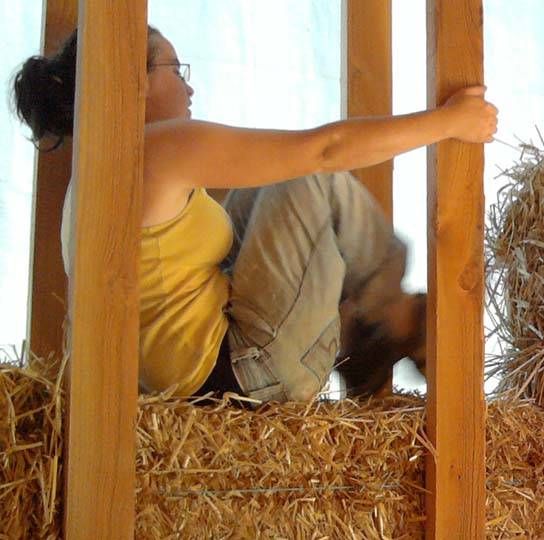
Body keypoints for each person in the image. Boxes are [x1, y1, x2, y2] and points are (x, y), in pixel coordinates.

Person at [11, 26, 497, 401]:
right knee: (309, 176)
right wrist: (449, 122)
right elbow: (326, 151)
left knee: (271, 184)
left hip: (212, 382)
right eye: (177, 71)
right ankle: (387, 320)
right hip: (246, 378)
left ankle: (372, 325)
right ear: (133, 82)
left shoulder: (96, 178)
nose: (189, 90)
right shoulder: (153, 151)